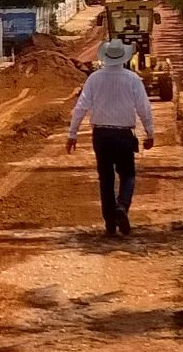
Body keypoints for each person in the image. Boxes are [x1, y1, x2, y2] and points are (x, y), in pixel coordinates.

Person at [66, 41, 156, 237]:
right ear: (124, 58)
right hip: (124, 135)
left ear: (105, 58)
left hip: (101, 136)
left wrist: (72, 134)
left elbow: (81, 106)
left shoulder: (94, 79)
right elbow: (144, 108)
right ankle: (122, 206)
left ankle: (110, 224)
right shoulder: (133, 79)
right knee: (128, 175)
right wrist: (150, 133)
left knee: (105, 179)